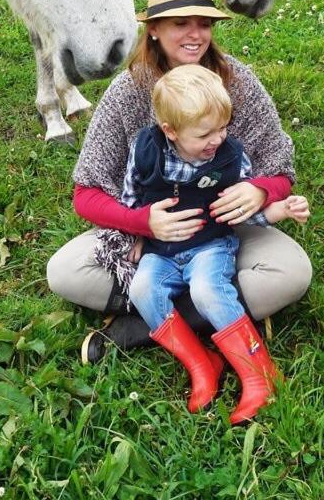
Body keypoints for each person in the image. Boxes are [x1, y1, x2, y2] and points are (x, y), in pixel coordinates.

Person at [46, 0, 313, 363]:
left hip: (225, 234)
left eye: (203, 23)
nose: (195, 35)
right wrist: (141, 222)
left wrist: (260, 190)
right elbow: (86, 193)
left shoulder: (236, 80)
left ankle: (139, 327)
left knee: (292, 272)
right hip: (150, 243)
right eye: (180, 23)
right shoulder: (126, 93)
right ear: (153, 28)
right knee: (65, 271)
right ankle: (219, 310)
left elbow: (279, 165)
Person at [125, 63, 309, 422]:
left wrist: (280, 209)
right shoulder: (145, 150)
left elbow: (239, 211)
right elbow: (131, 196)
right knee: (143, 288)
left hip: (210, 245)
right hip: (162, 250)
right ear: (170, 131)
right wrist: (136, 229)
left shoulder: (229, 156)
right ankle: (202, 363)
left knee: (208, 289)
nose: (217, 139)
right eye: (205, 133)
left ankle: (260, 374)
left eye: (223, 127)